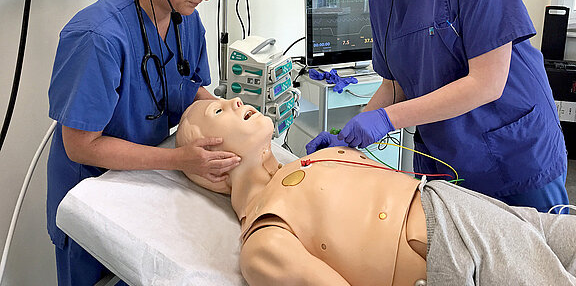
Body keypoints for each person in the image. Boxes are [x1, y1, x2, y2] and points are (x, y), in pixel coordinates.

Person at [307, 0, 569, 213]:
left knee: (538, 246)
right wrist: (346, 139)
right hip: (447, 164)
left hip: (516, 154)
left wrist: (387, 119)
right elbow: (396, 86)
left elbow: (487, 83)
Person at [176, 97, 576, 286]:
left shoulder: (304, 161)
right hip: (449, 247)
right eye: (218, 111)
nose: (235, 99)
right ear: (211, 163)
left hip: (461, 208)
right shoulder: (264, 239)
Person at [47, 0, 241, 286]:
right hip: (93, 193)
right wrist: (180, 160)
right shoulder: (97, 37)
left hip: (149, 181)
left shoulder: (187, 22)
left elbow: (186, 88)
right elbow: (81, 146)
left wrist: (229, 113)